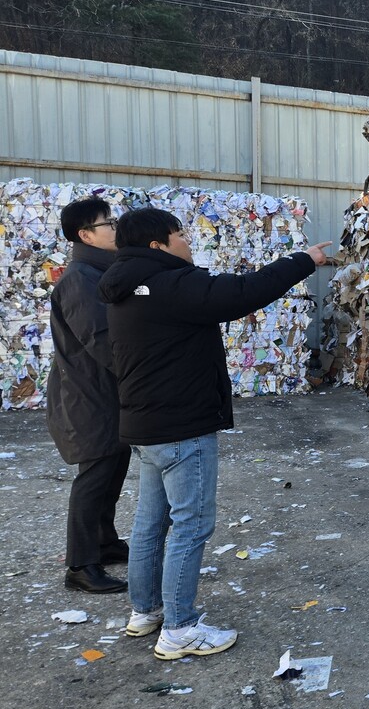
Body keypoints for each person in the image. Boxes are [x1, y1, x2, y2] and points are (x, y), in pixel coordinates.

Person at [99, 207, 330, 659]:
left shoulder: (123, 288)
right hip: (182, 427)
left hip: (146, 425)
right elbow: (243, 292)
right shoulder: (171, 285)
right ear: (157, 245)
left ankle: (146, 611)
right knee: (191, 524)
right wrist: (304, 260)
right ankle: (180, 629)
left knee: (150, 524)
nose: (187, 241)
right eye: (180, 234)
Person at [47, 197, 132, 594]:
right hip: (88, 396)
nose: (116, 229)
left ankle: (104, 542)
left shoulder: (101, 271)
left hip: (106, 393)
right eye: (109, 223)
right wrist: (143, 372)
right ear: (86, 235)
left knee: (114, 465)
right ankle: (80, 565)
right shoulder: (80, 278)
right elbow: (102, 340)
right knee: (95, 475)